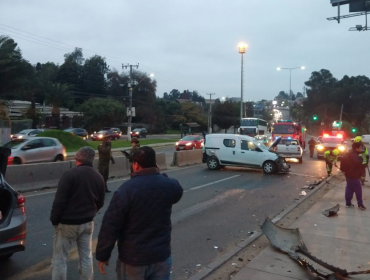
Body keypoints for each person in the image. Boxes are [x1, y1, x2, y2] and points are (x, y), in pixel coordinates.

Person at [95, 146, 183, 280]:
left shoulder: (126, 190)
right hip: (161, 256)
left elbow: (111, 225)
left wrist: (103, 255)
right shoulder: (168, 185)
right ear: (155, 164)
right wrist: (159, 174)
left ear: (135, 165)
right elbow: (177, 191)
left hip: (133, 259)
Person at [50, 146, 105, 280]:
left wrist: (55, 220)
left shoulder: (70, 175)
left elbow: (59, 202)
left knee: (60, 259)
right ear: (92, 159)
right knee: (86, 256)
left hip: (67, 223)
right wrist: (91, 213)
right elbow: (101, 201)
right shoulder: (98, 176)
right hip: (87, 223)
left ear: (77, 158)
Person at [344, 142, 367, 210]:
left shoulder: (351, 153)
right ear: (356, 148)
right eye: (360, 147)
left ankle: (348, 203)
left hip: (349, 174)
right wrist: (363, 162)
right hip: (354, 174)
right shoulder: (354, 155)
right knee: (358, 189)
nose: (362, 148)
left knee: (349, 189)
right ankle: (360, 204)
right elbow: (358, 164)